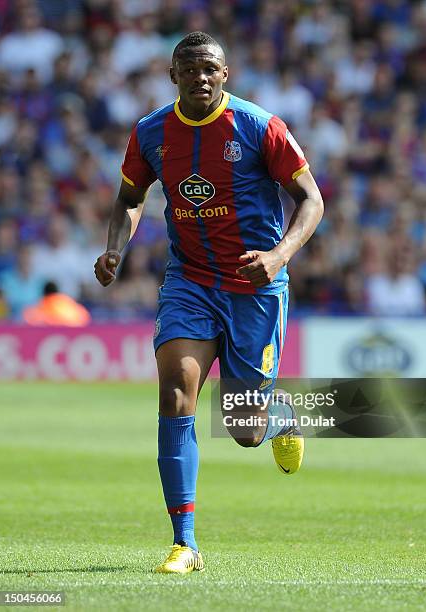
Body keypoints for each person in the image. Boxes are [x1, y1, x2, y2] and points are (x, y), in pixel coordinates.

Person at [94, 32, 323, 574]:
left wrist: (280, 255)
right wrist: (114, 249)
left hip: (255, 288)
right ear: (173, 75)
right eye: (189, 68)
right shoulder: (151, 132)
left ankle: (283, 418)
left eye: (210, 68)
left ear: (226, 74)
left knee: (242, 428)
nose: (200, 76)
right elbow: (130, 199)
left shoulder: (260, 127)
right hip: (190, 282)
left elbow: (311, 199)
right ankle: (184, 542)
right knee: (176, 392)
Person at [23, 281, 91, 326]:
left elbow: (29, 318)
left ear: (44, 293)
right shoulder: (66, 301)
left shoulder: (43, 302)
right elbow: (85, 316)